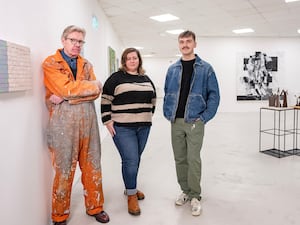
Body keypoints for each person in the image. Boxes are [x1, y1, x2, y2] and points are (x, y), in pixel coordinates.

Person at [42, 25, 110, 225]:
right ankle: (60, 215)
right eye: (73, 40)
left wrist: (67, 96)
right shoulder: (51, 63)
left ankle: (95, 207)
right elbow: (66, 88)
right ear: (63, 40)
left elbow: (95, 92)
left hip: (88, 123)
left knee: (93, 165)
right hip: (63, 124)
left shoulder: (86, 64)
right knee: (64, 169)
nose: (77, 45)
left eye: (80, 41)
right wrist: (89, 87)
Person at [163, 30, 220, 216]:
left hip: (195, 121)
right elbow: (166, 91)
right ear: (179, 44)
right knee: (179, 158)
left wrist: (204, 117)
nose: (185, 44)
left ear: (195, 44)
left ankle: (195, 195)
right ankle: (185, 191)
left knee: (193, 158)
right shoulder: (173, 69)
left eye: (188, 41)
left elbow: (214, 96)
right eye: (182, 41)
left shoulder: (206, 68)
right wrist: (167, 112)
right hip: (176, 121)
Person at [101, 47, 156, 216]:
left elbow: (153, 99)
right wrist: (107, 120)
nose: (132, 61)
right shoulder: (116, 78)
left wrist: (147, 116)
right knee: (131, 160)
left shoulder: (145, 78)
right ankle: (131, 196)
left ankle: (130, 188)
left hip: (143, 126)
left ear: (139, 60)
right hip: (123, 127)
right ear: (124, 61)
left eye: (135, 58)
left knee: (135, 159)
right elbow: (105, 99)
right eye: (128, 58)